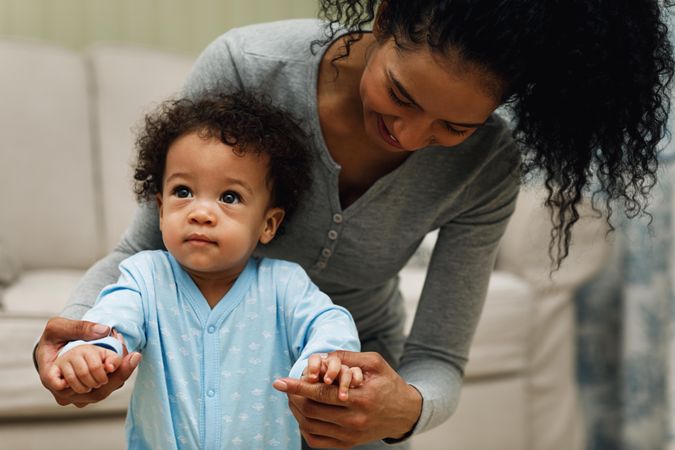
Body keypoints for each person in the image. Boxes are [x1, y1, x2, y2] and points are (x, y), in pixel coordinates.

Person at [35, 1, 674, 449]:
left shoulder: (487, 165)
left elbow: (437, 359)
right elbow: (141, 250)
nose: (411, 135)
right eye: (401, 93)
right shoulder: (249, 67)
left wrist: (402, 413)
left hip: (353, 391)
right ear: (385, 15)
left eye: (455, 126)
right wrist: (77, 347)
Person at [47, 92, 362, 450]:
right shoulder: (145, 276)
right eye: (183, 191)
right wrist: (90, 351)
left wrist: (323, 363)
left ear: (268, 224)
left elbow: (329, 321)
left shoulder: (284, 285)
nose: (200, 213)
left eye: (229, 197)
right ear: (162, 211)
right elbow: (113, 320)